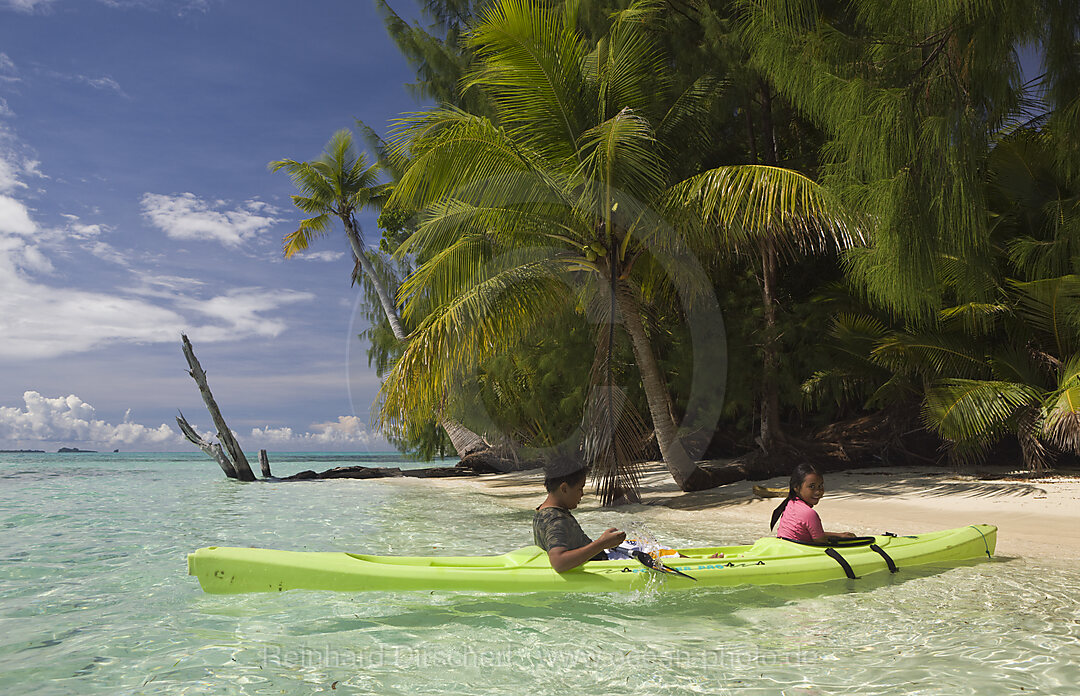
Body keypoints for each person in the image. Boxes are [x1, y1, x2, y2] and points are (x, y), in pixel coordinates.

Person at [533, 465, 626, 572]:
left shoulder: (542, 510)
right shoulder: (556, 520)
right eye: (579, 488)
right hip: (593, 570)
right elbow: (559, 562)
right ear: (564, 488)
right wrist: (601, 544)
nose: (582, 494)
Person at [770, 463, 856, 543]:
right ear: (796, 487)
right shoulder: (809, 513)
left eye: (820, 486)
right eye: (812, 487)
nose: (818, 491)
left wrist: (840, 535)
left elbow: (810, 533)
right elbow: (821, 543)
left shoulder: (790, 504)